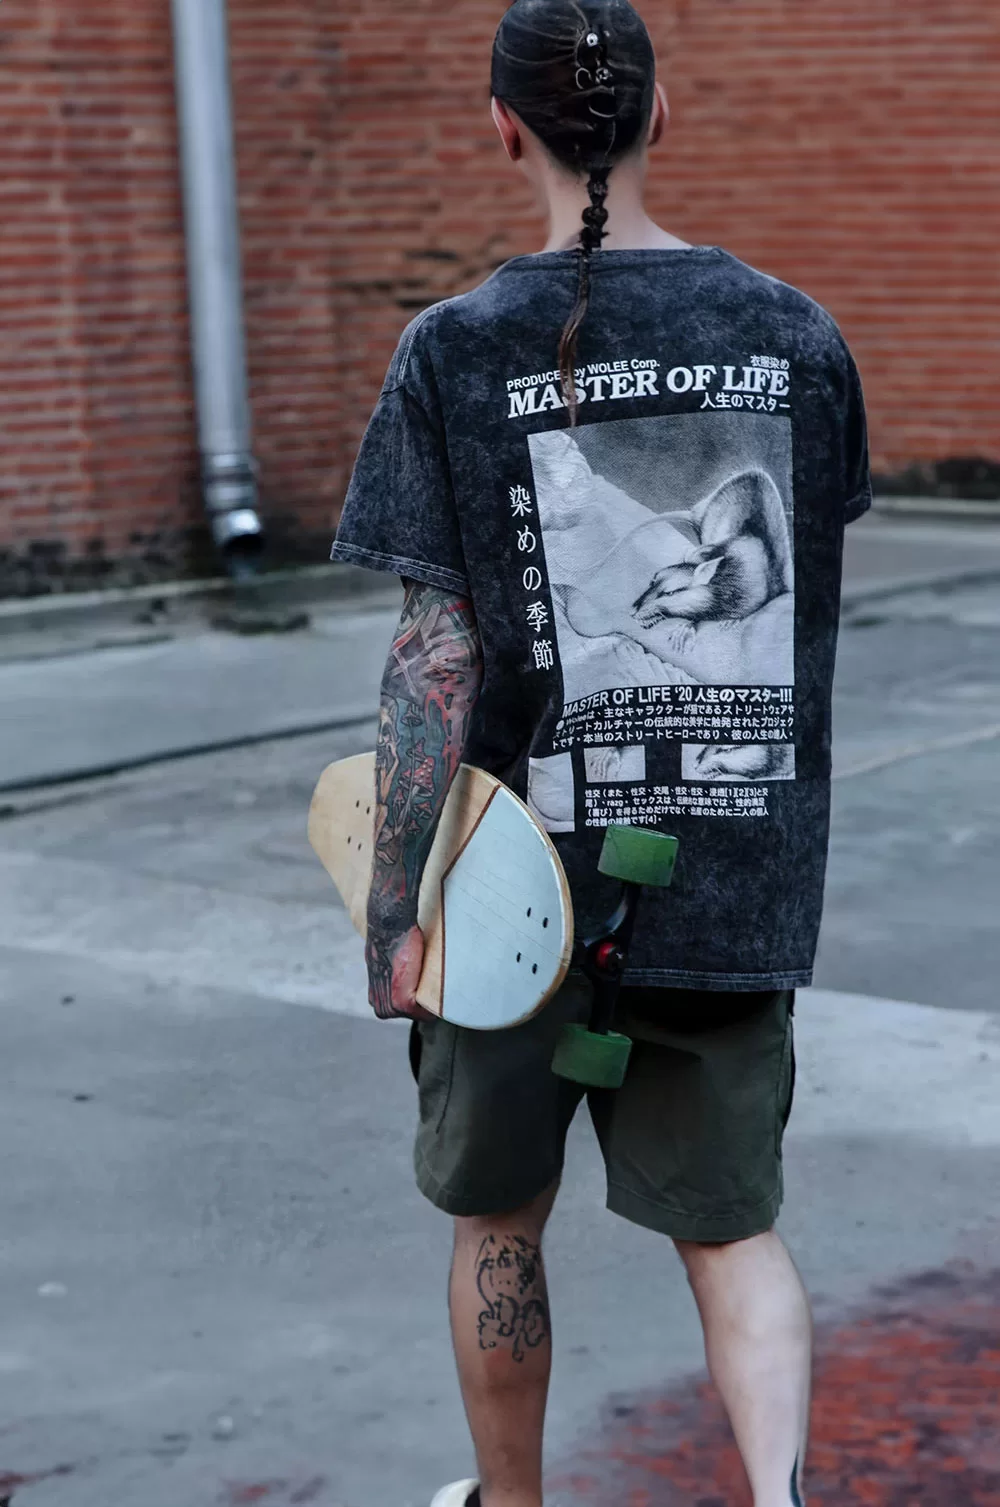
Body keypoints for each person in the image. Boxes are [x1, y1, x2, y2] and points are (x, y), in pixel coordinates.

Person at [331, 2, 871, 1504]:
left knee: (498, 1222)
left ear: (501, 127)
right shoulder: (796, 334)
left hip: (515, 881)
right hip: (728, 879)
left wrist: (394, 903)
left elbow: (436, 657)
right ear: (660, 114)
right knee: (732, 1229)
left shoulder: (452, 350)